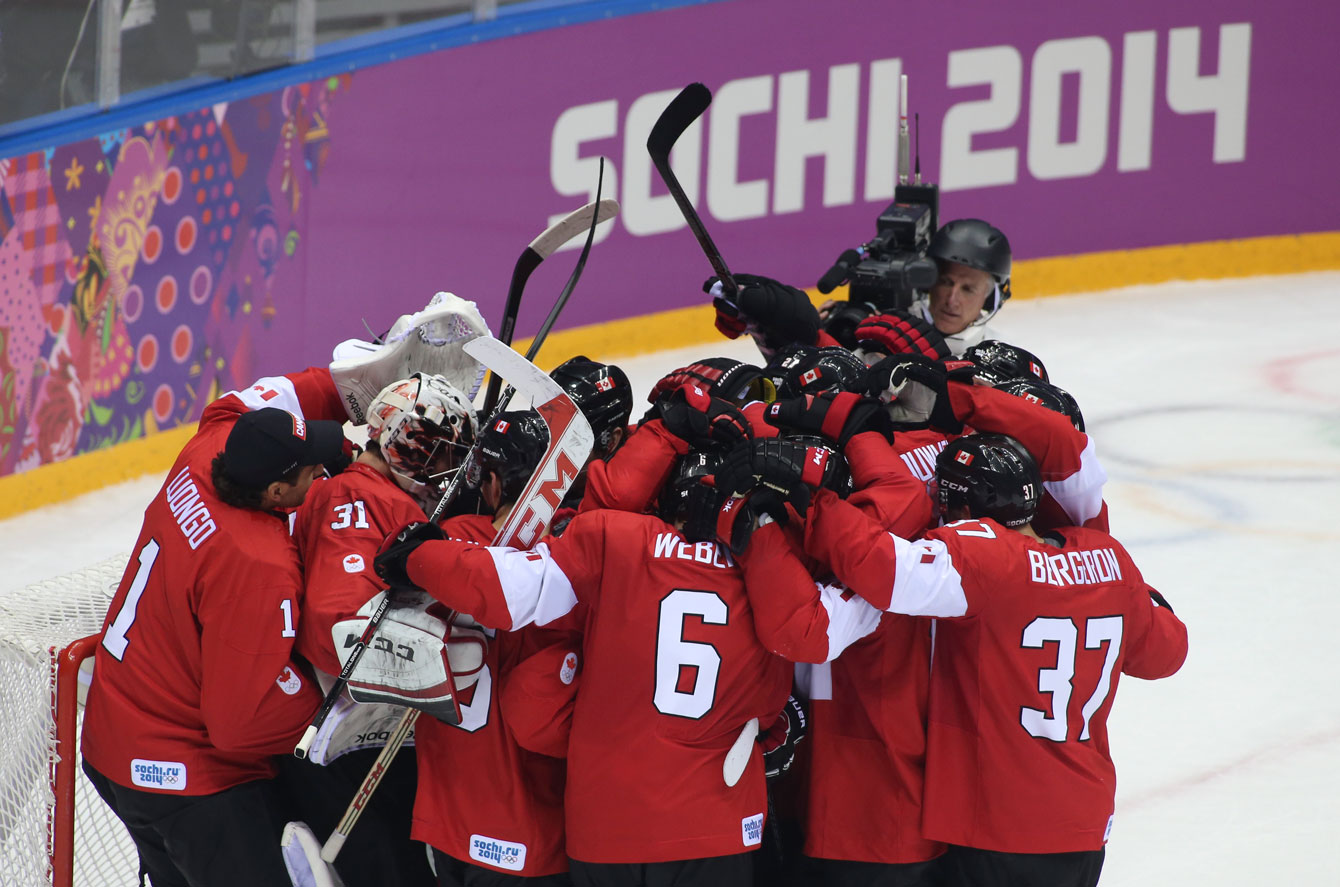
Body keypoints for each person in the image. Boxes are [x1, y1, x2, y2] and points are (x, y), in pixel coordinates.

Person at [373, 446, 792, 887]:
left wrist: (419, 559)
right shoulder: (770, 566)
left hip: (605, 830)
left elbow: (516, 619)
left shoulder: (616, 538)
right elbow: (796, 664)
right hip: (716, 825)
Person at [797, 433, 1188, 887]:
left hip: (1002, 825)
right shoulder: (1108, 558)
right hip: (1085, 823)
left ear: (963, 511)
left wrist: (813, 499)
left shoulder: (987, 558)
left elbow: (881, 567)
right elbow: (1167, 654)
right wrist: (1137, 595)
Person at [80, 366, 348, 887]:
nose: (322, 471)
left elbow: (231, 406)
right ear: (275, 491)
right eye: (309, 472)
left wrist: (342, 382)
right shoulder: (259, 566)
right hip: (186, 782)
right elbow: (236, 724)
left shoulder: (206, 454)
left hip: (114, 744)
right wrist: (331, 706)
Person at [287, 371, 477, 887]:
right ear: (403, 446)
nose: (444, 469)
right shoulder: (356, 498)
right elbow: (337, 626)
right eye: (436, 453)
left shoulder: (370, 491)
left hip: (375, 727)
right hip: (354, 735)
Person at [415, 409, 575, 886]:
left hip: (447, 811)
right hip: (527, 824)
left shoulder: (441, 542)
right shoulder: (574, 558)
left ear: (490, 483)